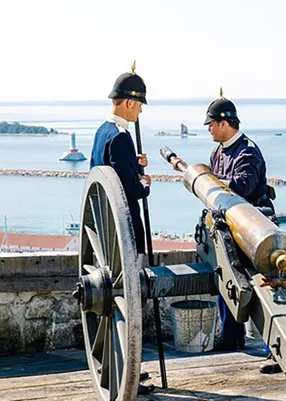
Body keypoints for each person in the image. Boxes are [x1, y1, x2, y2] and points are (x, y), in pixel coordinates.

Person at [172, 90, 281, 373]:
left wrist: (212, 180)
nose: (208, 129)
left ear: (223, 123)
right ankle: (233, 337)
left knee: (266, 287)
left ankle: (276, 348)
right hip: (227, 228)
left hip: (255, 226)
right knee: (225, 279)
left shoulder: (247, 151)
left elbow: (243, 187)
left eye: (210, 124)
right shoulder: (218, 152)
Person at [89, 68, 155, 394]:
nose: (141, 110)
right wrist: (144, 183)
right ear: (129, 103)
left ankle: (123, 369)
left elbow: (107, 172)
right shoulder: (121, 137)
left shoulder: (103, 132)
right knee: (132, 309)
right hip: (124, 237)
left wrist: (134, 163)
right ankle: (129, 374)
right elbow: (127, 189)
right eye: (140, 104)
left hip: (106, 234)